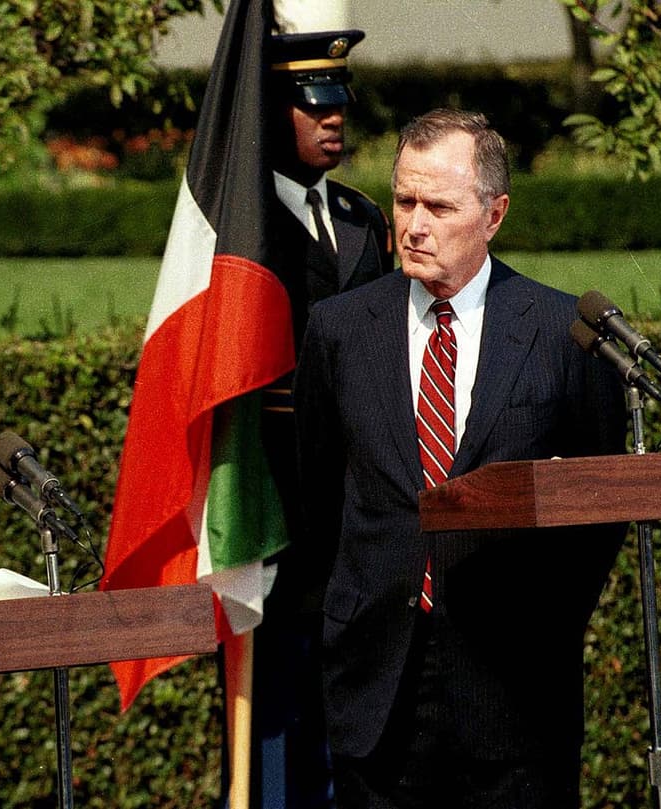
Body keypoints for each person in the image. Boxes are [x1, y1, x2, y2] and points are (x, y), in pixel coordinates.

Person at [294, 109, 626, 808]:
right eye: (405, 200)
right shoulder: (340, 330)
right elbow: (319, 499)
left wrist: (541, 623)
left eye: (439, 206)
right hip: (376, 690)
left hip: (516, 694)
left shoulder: (565, 337)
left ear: (494, 214)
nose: (414, 225)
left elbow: (600, 514)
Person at [248, 16, 394, 809]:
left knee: (353, 726)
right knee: (275, 731)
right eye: (313, 101)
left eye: (339, 98)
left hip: (355, 524)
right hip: (274, 520)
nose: (334, 115)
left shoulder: (366, 222)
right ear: (273, 109)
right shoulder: (244, 234)